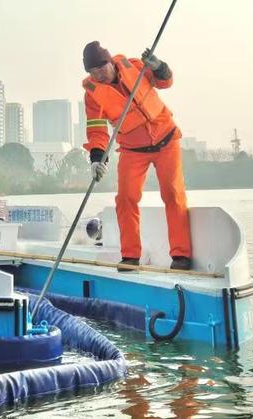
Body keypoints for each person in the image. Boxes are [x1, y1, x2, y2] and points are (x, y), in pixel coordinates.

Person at [81, 41, 192, 271]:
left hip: (166, 139)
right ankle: (130, 257)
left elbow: (166, 82)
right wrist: (96, 159)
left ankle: (181, 255)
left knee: (172, 194)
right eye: (92, 72)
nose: (98, 75)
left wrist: (159, 66)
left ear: (110, 62)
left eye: (101, 69)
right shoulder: (92, 94)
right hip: (132, 150)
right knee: (125, 198)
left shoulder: (136, 66)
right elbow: (96, 129)